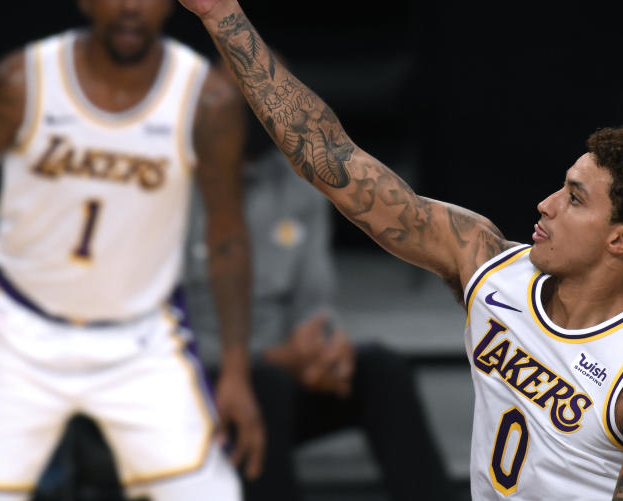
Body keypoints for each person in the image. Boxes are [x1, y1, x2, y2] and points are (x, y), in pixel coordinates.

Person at [130, 0, 623, 499]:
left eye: (575, 199)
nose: (546, 205)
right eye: (560, 186)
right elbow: (331, 158)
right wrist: (217, 7)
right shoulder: (488, 267)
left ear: (622, 239)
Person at [0, 0, 264, 501]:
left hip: (142, 339)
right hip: (19, 332)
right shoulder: (22, 81)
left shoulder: (205, 101)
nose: (127, 6)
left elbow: (227, 237)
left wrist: (236, 369)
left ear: (168, 0)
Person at [184, 107, 457, 501]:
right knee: (266, 385)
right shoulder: (174, 189)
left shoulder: (298, 184)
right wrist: (276, 359)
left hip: (288, 371)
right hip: (203, 389)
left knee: (381, 369)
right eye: (242, 97)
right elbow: (163, 324)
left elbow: (314, 298)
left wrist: (324, 348)